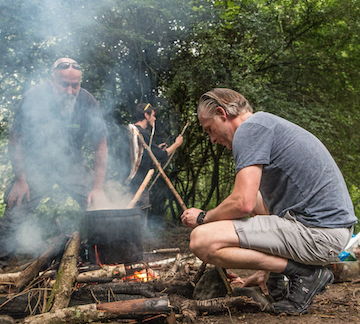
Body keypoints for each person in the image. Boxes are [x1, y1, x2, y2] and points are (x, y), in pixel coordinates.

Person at [181, 88, 357, 314]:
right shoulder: (264, 125)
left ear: (221, 113)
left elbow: (241, 203)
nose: (212, 139)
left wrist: (203, 217)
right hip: (330, 233)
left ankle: (306, 274)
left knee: (200, 240)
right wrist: (265, 269)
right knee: (256, 198)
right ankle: (278, 276)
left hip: (320, 235)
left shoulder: (249, 130)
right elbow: (255, 205)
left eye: (210, 129)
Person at [0, 58, 108, 269]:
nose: (70, 91)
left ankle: (104, 256)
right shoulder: (33, 98)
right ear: (52, 80)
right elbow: (15, 141)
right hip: (37, 165)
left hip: (72, 165)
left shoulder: (87, 101)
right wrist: (21, 180)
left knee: (101, 206)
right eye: (64, 84)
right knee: (17, 204)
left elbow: (101, 147)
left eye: (75, 85)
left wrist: (98, 188)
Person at [129, 103, 183, 223]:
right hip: (139, 185)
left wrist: (157, 148)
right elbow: (161, 156)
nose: (155, 118)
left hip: (128, 183)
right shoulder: (142, 133)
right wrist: (177, 144)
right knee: (139, 221)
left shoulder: (132, 131)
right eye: (153, 115)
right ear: (146, 115)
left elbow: (142, 154)